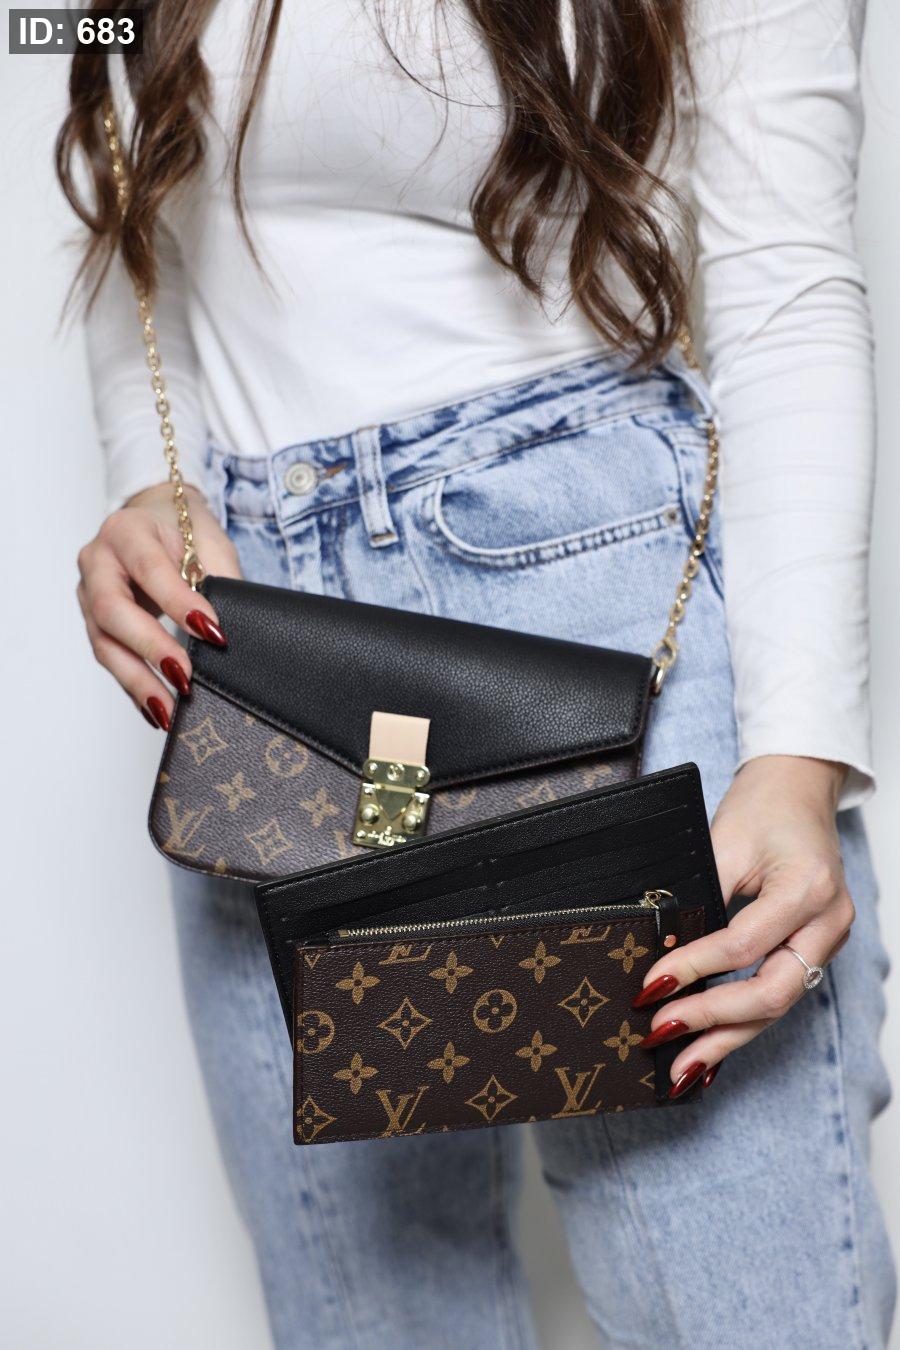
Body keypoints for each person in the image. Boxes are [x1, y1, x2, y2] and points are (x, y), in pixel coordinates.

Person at [61, 1, 894, 1345]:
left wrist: (795, 762)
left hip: (596, 622)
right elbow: (107, 132)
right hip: (269, 678)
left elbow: (787, 281)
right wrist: (150, 480)